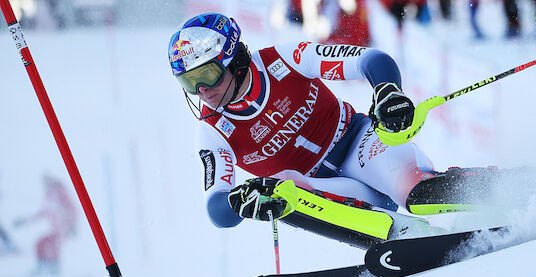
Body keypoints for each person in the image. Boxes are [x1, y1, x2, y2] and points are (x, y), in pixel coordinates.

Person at [169, 13, 502, 248]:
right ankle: (404, 237)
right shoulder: (213, 130)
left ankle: (508, 189)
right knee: (282, 189)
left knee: (416, 194)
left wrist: (387, 91)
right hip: (327, 189)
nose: (202, 91)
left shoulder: (282, 61)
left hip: (361, 145)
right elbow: (216, 209)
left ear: (233, 59)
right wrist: (240, 202)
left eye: (208, 75)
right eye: (188, 82)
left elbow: (372, 60)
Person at [14, 175, 77, 275]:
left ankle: (54, 269)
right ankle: (42, 267)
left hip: (63, 227)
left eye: (48, 181)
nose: (46, 184)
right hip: (55, 228)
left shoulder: (60, 193)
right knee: (41, 243)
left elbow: (72, 208)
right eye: (45, 183)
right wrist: (24, 221)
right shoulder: (49, 196)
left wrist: (73, 225)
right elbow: (41, 213)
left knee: (54, 245)